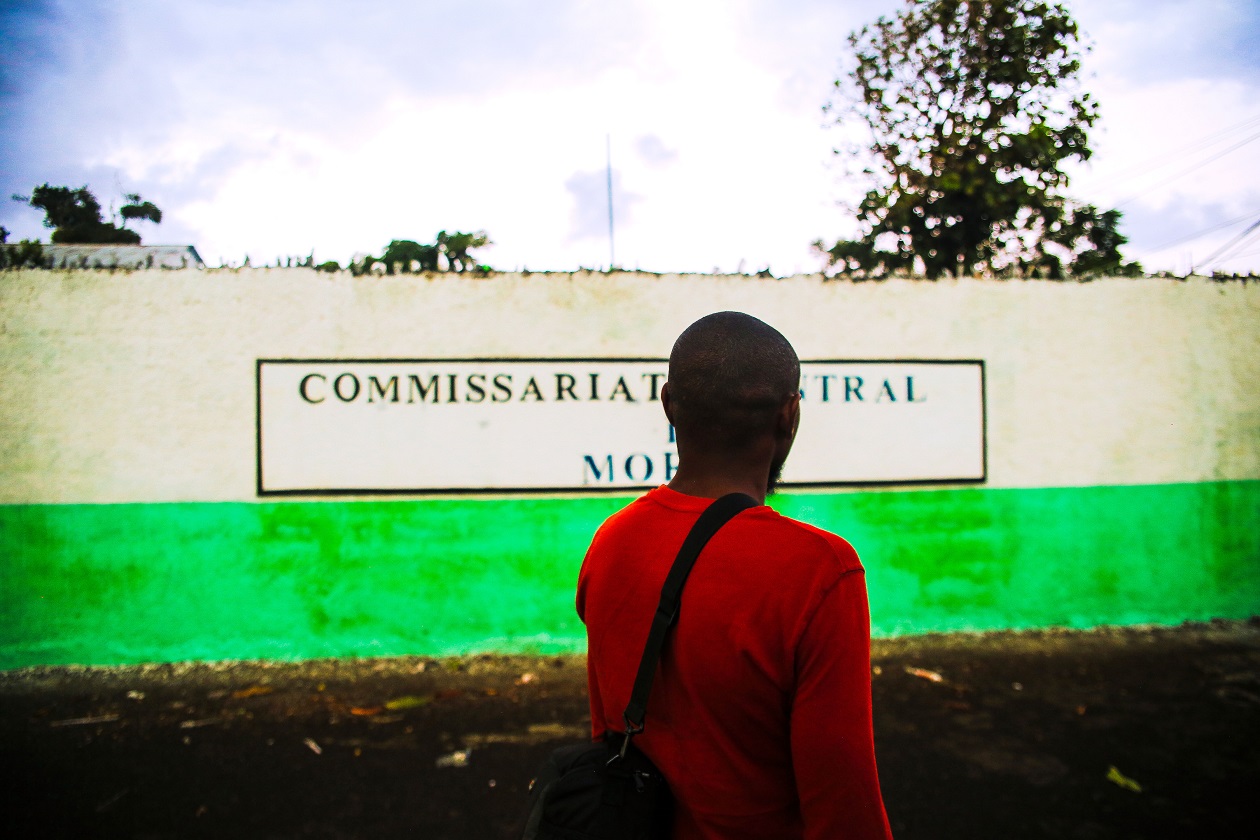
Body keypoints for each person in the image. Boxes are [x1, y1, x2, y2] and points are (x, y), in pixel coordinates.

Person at [576, 312, 893, 840]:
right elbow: (843, 800)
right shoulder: (819, 570)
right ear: (789, 415)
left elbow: (605, 736)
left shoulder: (612, 542)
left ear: (668, 405)